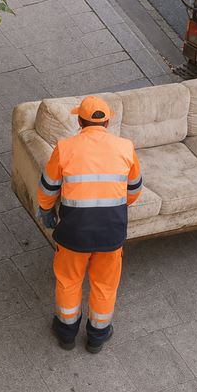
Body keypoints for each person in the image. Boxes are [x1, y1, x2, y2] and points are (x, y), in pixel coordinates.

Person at [36, 96, 142, 353]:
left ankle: (66, 335)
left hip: (73, 234)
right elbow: (134, 190)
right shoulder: (125, 147)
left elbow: (48, 189)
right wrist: (112, 208)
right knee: (105, 285)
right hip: (111, 234)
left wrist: (46, 210)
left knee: (69, 281)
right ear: (107, 122)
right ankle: (97, 337)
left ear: (80, 122)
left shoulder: (65, 148)